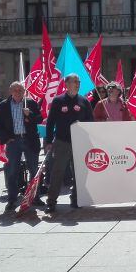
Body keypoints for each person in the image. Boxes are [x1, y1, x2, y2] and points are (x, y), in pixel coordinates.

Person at [44, 74, 93, 212]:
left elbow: (91, 122)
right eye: (74, 82)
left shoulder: (84, 101)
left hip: (80, 143)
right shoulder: (58, 101)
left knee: (79, 172)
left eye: (79, 81)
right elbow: (50, 122)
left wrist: (82, 125)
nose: (77, 84)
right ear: (66, 84)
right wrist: (48, 141)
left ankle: (76, 199)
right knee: (57, 172)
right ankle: (51, 201)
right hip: (62, 142)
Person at [0, 82, 43, 212]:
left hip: (29, 140)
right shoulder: (4, 105)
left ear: (24, 91)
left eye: (20, 90)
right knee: (12, 171)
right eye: (15, 90)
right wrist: (6, 138)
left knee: (34, 170)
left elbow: (40, 118)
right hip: (13, 141)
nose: (18, 92)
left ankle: (35, 197)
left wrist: (30, 114)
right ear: (11, 91)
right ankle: (12, 199)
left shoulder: (30, 103)